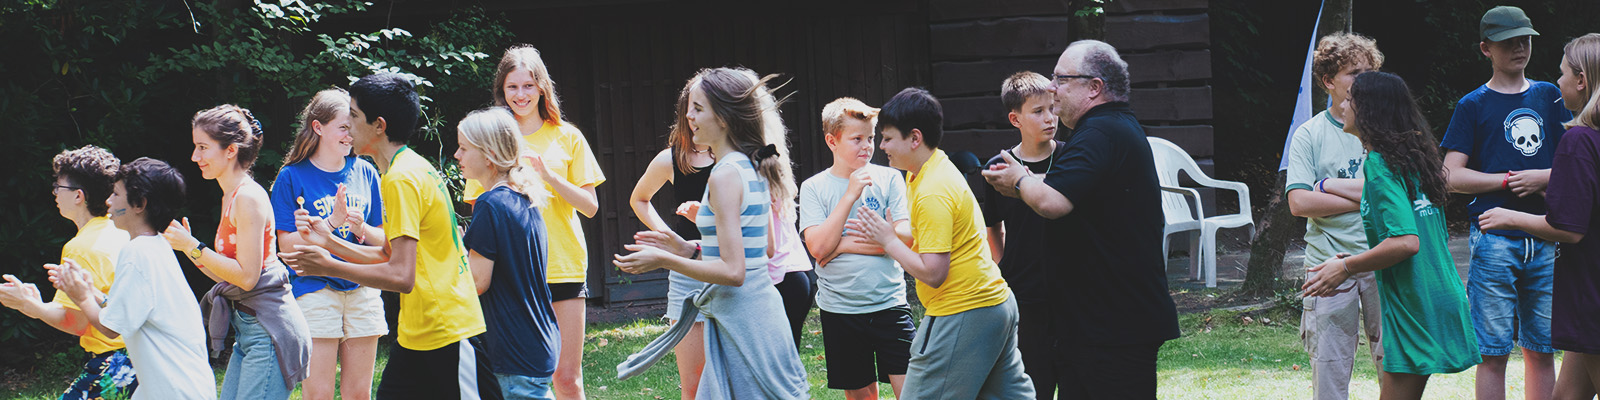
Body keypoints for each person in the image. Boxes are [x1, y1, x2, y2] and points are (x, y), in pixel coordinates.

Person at [980, 39, 1181, 398]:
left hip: (1115, 329)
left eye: (1061, 79)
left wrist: (1019, 179)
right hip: (1099, 326)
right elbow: (1063, 187)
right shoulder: (1108, 129)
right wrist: (1028, 182)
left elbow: (1053, 202)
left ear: (1094, 87)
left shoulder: (1100, 133)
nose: (1053, 88)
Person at [279, 73, 496, 400]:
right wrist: (329, 241)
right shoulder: (400, 170)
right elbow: (388, 253)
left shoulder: (401, 179)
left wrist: (329, 265)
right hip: (417, 333)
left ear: (378, 126)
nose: (347, 126)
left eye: (353, 116)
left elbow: (400, 275)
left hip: (448, 329)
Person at [614, 67, 809, 399]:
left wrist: (664, 259)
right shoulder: (754, 164)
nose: (688, 116)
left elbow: (734, 272)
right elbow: (765, 249)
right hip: (760, 312)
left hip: (743, 317)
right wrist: (687, 248)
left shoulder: (725, 174)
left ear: (724, 117)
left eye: (698, 108)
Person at [1304, 71, 1482, 399]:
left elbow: (1405, 242)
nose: (1342, 106)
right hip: (1436, 293)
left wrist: (1346, 267)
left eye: (1350, 99)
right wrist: (1352, 260)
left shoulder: (1380, 165)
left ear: (1370, 110)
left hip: (1416, 302)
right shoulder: (1414, 159)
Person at [849, 87, 1033, 398]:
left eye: (888, 138)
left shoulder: (933, 189)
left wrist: (888, 239)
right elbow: (934, 238)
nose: (881, 146)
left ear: (915, 138)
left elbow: (934, 273)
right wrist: (888, 233)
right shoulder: (928, 169)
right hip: (995, 305)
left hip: (964, 310)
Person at [1439, 7, 1572, 399]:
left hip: (1549, 237)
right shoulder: (1473, 104)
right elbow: (1450, 176)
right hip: (1494, 239)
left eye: (1525, 39)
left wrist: (1542, 180)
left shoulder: (1551, 95)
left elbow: (1575, 164)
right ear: (1485, 48)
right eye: (1508, 41)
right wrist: (1510, 180)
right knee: (1492, 352)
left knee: (1542, 350)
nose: (1519, 47)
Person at [462, 46, 604, 399]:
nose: (520, 95)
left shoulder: (567, 136)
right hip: (511, 273)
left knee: (567, 378)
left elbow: (590, 206)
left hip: (563, 264)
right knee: (518, 373)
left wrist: (549, 177)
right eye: (512, 87)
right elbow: (481, 208)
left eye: (528, 86)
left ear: (542, 88)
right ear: (502, 91)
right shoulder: (488, 140)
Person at [1476, 32, 1600, 400]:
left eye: (1563, 73)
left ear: (1581, 80)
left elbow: (1569, 229)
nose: (1557, 81)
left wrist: (1507, 217)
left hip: (1589, 293)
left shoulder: (1578, 139)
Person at [163, 104, 311, 399]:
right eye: (196, 147)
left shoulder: (247, 197)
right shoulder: (230, 195)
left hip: (269, 330)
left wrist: (193, 246)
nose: (195, 157)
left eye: (203, 147)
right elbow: (223, 274)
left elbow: (247, 278)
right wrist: (189, 248)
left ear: (230, 150)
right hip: (249, 329)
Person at [48, 157, 216, 400]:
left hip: (174, 389)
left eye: (115, 194)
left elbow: (110, 328)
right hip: (173, 385)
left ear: (139, 204)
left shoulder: (137, 253)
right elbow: (128, 310)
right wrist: (93, 292)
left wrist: (82, 296)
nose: (108, 201)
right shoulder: (154, 245)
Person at [1283, 33, 1385, 400]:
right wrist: (1370, 196)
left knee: (1394, 367)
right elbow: (1298, 203)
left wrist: (1327, 188)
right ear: (1328, 81)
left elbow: (1402, 193)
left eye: (1369, 72)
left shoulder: (1387, 131)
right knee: (1329, 374)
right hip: (1325, 264)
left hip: (1383, 259)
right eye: (1355, 73)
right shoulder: (1309, 134)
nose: (1365, 80)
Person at [269, 88, 387, 400]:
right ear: (318, 128)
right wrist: (333, 224)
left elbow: (385, 241)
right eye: (344, 127)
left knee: (359, 394)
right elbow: (286, 248)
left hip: (363, 288)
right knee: (318, 395)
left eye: (355, 126)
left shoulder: (366, 172)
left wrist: (361, 227)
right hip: (315, 291)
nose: (352, 135)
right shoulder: (291, 177)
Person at [798, 97, 915, 399]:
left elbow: (905, 238)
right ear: (831, 141)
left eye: (872, 138)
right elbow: (819, 247)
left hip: (889, 304)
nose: (867, 146)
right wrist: (850, 195)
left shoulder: (890, 178)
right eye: (857, 139)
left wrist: (842, 246)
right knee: (861, 394)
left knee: (914, 391)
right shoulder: (814, 187)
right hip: (841, 310)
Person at [0, 146, 139, 400]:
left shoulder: (80, 248)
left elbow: (76, 323)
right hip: (141, 355)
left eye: (59, 187)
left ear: (78, 196)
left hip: (115, 361)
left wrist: (30, 305)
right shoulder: (122, 231)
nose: (54, 192)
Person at [456, 107, 561, 400]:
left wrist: (456, 256)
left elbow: (478, 282)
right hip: (535, 340)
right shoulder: (524, 197)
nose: (457, 155)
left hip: (513, 348)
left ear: (488, 155)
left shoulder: (490, 204)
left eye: (464, 148)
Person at [627, 74, 716, 399]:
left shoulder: (739, 158)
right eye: (692, 108)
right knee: (692, 381)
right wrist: (668, 237)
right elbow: (640, 198)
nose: (695, 116)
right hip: (687, 273)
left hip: (728, 267)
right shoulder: (672, 158)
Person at [979, 71, 1066, 397]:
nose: (1050, 118)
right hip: (1024, 292)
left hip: (1072, 289)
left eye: (1053, 108)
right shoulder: (999, 165)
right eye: (1038, 111)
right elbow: (992, 225)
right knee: (1034, 383)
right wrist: (1005, 267)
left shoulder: (1071, 157)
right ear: (1015, 118)